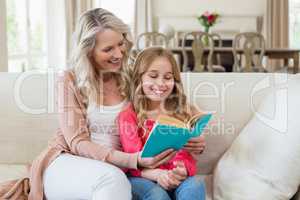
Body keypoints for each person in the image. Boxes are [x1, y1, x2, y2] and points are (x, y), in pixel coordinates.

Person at [0, 8, 206, 200]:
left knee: (117, 179)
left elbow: (176, 98)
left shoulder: (131, 72)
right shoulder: (70, 80)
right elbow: (77, 143)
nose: (118, 53)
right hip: (69, 161)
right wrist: (133, 159)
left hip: (122, 170)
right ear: (89, 51)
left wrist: (197, 134)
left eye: (121, 43)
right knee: (113, 179)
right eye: (108, 49)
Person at [117, 47, 206, 200]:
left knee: (195, 186)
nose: (161, 83)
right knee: (158, 195)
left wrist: (181, 170)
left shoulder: (184, 110)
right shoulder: (129, 116)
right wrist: (158, 175)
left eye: (167, 77)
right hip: (144, 178)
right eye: (153, 76)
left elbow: (187, 155)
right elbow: (133, 162)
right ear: (139, 79)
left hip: (177, 176)